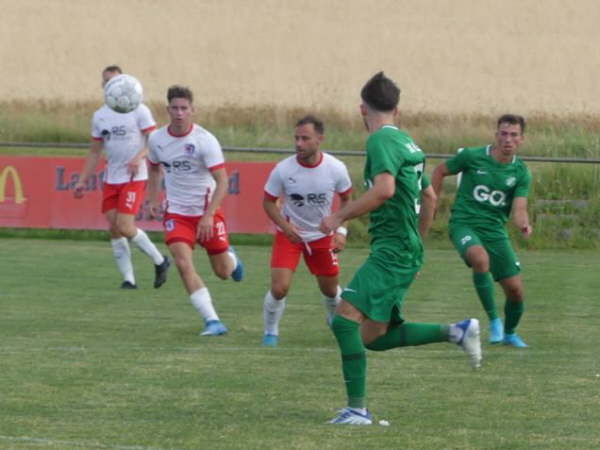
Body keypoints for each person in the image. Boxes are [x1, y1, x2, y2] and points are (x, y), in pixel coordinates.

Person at [320, 72, 482, 425]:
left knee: (345, 324)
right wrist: (417, 245)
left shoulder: (380, 142)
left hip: (392, 250)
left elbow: (384, 190)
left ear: (363, 109)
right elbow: (429, 196)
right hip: (402, 248)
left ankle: (357, 411)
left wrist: (339, 217)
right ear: (397, 107)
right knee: (374, 337)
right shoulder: (410, 145)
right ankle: (456, 331)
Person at [146, 85, 244, 336]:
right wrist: (153, 199)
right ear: (168, 109)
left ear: (193, 110)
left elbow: (222, 181)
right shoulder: (157, 139)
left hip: (206, 212)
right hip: (177, 213)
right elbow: (155, 169)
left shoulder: (204, 141)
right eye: (175, 108)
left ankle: (233, 260)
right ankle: (212, 321)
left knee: (223, 272)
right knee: (182, 263)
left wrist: (209, 215)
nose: (179, 113)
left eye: (184, 108)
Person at [430, 114, 532, 348]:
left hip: (495, 231)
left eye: (514, 135)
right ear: (496, 135)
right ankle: (494, 321)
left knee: (516, 292)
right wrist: (432, 204)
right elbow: (439, 171)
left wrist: (523, 224)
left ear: (521, 140)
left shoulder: (521, 172)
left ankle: (509, 333)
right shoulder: (472, 156)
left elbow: (519, 207)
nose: (508, 139)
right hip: (464, 224)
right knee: (480, 259)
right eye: (504, 134)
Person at [74, 65, 170, 290]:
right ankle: (129, 279)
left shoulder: (139, 110)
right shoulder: (99, 116)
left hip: (134, 177)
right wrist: (82, 180)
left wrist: (139, 157)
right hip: (111, 178)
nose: (110, 85)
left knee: (126, 226)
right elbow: (95, 151)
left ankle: (160, 260)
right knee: (114, 228)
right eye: (106, 81)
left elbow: (153, 140)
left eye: (115, 80)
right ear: (103, 85)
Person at [262, 115, 353, 347]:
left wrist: (341, 231)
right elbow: (268, 202)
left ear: (319, 139)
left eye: (305, 138)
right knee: (279, 288)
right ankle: (270, 332)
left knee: (331, 291)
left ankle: (334, 318)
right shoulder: (283, 169)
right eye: (296, 138)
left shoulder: (336, 168)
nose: (299, 144)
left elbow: (346, 201)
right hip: (290, 236)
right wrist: (285, 226)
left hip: (322, 237)